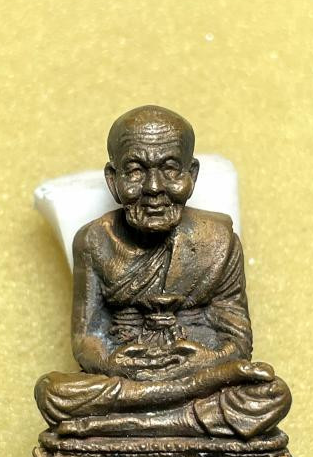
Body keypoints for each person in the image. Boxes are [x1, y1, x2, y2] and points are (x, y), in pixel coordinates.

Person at [35, 105, 291, 438]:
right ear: (113, 180)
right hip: (133, 378)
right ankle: (179, 418)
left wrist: (209, 361)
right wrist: (111, 363)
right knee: (52, 391)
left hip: (197, 373)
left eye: (170, 169)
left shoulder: (219, 240)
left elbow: (238, 341)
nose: (154, 187)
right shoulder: (94, 240)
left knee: (270, 394)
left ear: (191, 174)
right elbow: (86, 337)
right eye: (135, 171)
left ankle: (125, 424)